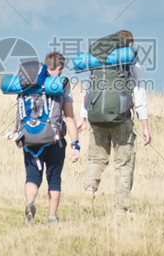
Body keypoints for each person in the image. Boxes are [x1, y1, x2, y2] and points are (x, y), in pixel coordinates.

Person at [78, 30, 152, 215]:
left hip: (96, 118)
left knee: (95, 158)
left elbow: (88, 92)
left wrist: (82, 117)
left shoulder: (97, 63)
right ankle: (121, 209)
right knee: (124, 164)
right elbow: (139, 96)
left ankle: (89, 190)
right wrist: (145, 126)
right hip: (121, 120)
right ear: (128, 45)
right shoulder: (132, 65)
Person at [21, 52, 80, 224]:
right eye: (61, 70)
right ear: (59, 68)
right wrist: (75, 145)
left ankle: (30, 203)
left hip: (30, 140)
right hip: (55, 141)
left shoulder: (28, 85)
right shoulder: (61, 85)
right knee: (54, 179)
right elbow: (69, 117)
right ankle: (52, 217)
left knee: (32, 177)